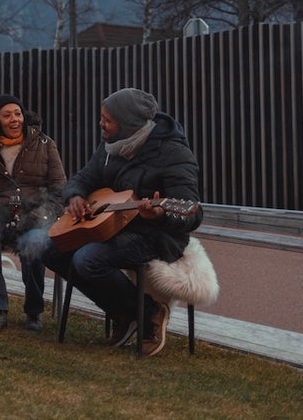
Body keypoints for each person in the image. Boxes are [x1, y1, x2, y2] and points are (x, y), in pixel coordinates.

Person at [43, 87, 202, 357]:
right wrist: (75, 197)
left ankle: (151, 313)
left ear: (128, 125)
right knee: (51, 249)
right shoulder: (109, 148)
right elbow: (82, 178)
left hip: (156, 236)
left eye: (107, 119)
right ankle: (126, 312)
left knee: (87, 259)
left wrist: (161, 213)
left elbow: (192, 212)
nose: (101, 123)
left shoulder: (173, 154)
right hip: (113, 228)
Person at [0, 94, 66, 333]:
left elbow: (60, 192)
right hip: (2, 216)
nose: (14, 120)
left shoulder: (44, 144)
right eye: (7, 115)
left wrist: (39, 216)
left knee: (33, 240)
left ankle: (34, 310)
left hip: (35, 216)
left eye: (17, 113)